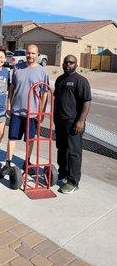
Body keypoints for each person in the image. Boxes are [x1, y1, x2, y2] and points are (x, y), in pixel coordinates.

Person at [0, 44, 49, 179]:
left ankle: (27, 162)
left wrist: (41, 112)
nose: (30, 55)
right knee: (12, 137)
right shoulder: (18, 68)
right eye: (28, 53)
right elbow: (12, 87)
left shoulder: (42, 71)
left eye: (33, 53)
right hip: (17, 111)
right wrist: (9, 103)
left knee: (30, 140)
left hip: (33, 113)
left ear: (38, 54)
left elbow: (45, 94)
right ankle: (8, 163)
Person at [54, 54, 92, 194]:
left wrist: (81, 121)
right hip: (60, 122)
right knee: (61, 149)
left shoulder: (81, 81)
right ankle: (63, 173)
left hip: (74, 123)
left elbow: (86, 102)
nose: (67, 64)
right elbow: (58, 100)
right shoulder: (60, 80)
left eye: (71, 62)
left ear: (76, 65)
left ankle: (73, 181)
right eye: (65, 62)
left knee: (74, 153)